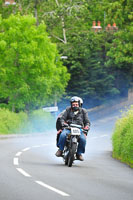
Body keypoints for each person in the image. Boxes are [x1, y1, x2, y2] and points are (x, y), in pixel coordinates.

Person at [55, 96, 90, 161]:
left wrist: (86, 129)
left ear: (79, 104)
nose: (75, 105)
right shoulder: (68, 109)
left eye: (76, 104)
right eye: (73, 104)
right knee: (62, 135)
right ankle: (60, 150)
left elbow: (87, 122)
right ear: (71, 104)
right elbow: (62, 118)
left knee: (83, 139)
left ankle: (79, 154)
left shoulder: (83, 111)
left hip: (79, 129)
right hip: (68, 128)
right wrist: (63, 124)